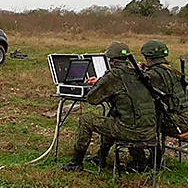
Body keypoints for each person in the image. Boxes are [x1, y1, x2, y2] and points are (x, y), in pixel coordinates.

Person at [61, 42, 157, 171]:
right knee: (113, 115)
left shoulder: (114, 75)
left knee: (86, 120)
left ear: (111, 61)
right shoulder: (138, 72)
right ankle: (105, 157)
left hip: (131, 131)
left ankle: (76, 162)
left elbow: (92, 99)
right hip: (150, 130)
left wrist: (101, 85)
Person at [140, 39, 188, 136]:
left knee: (137, 120)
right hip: (186, 118)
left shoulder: (154, 74)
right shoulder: (171, 68)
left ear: (148, 57)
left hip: (176, 123)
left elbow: (140, 92)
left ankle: (151, 148)